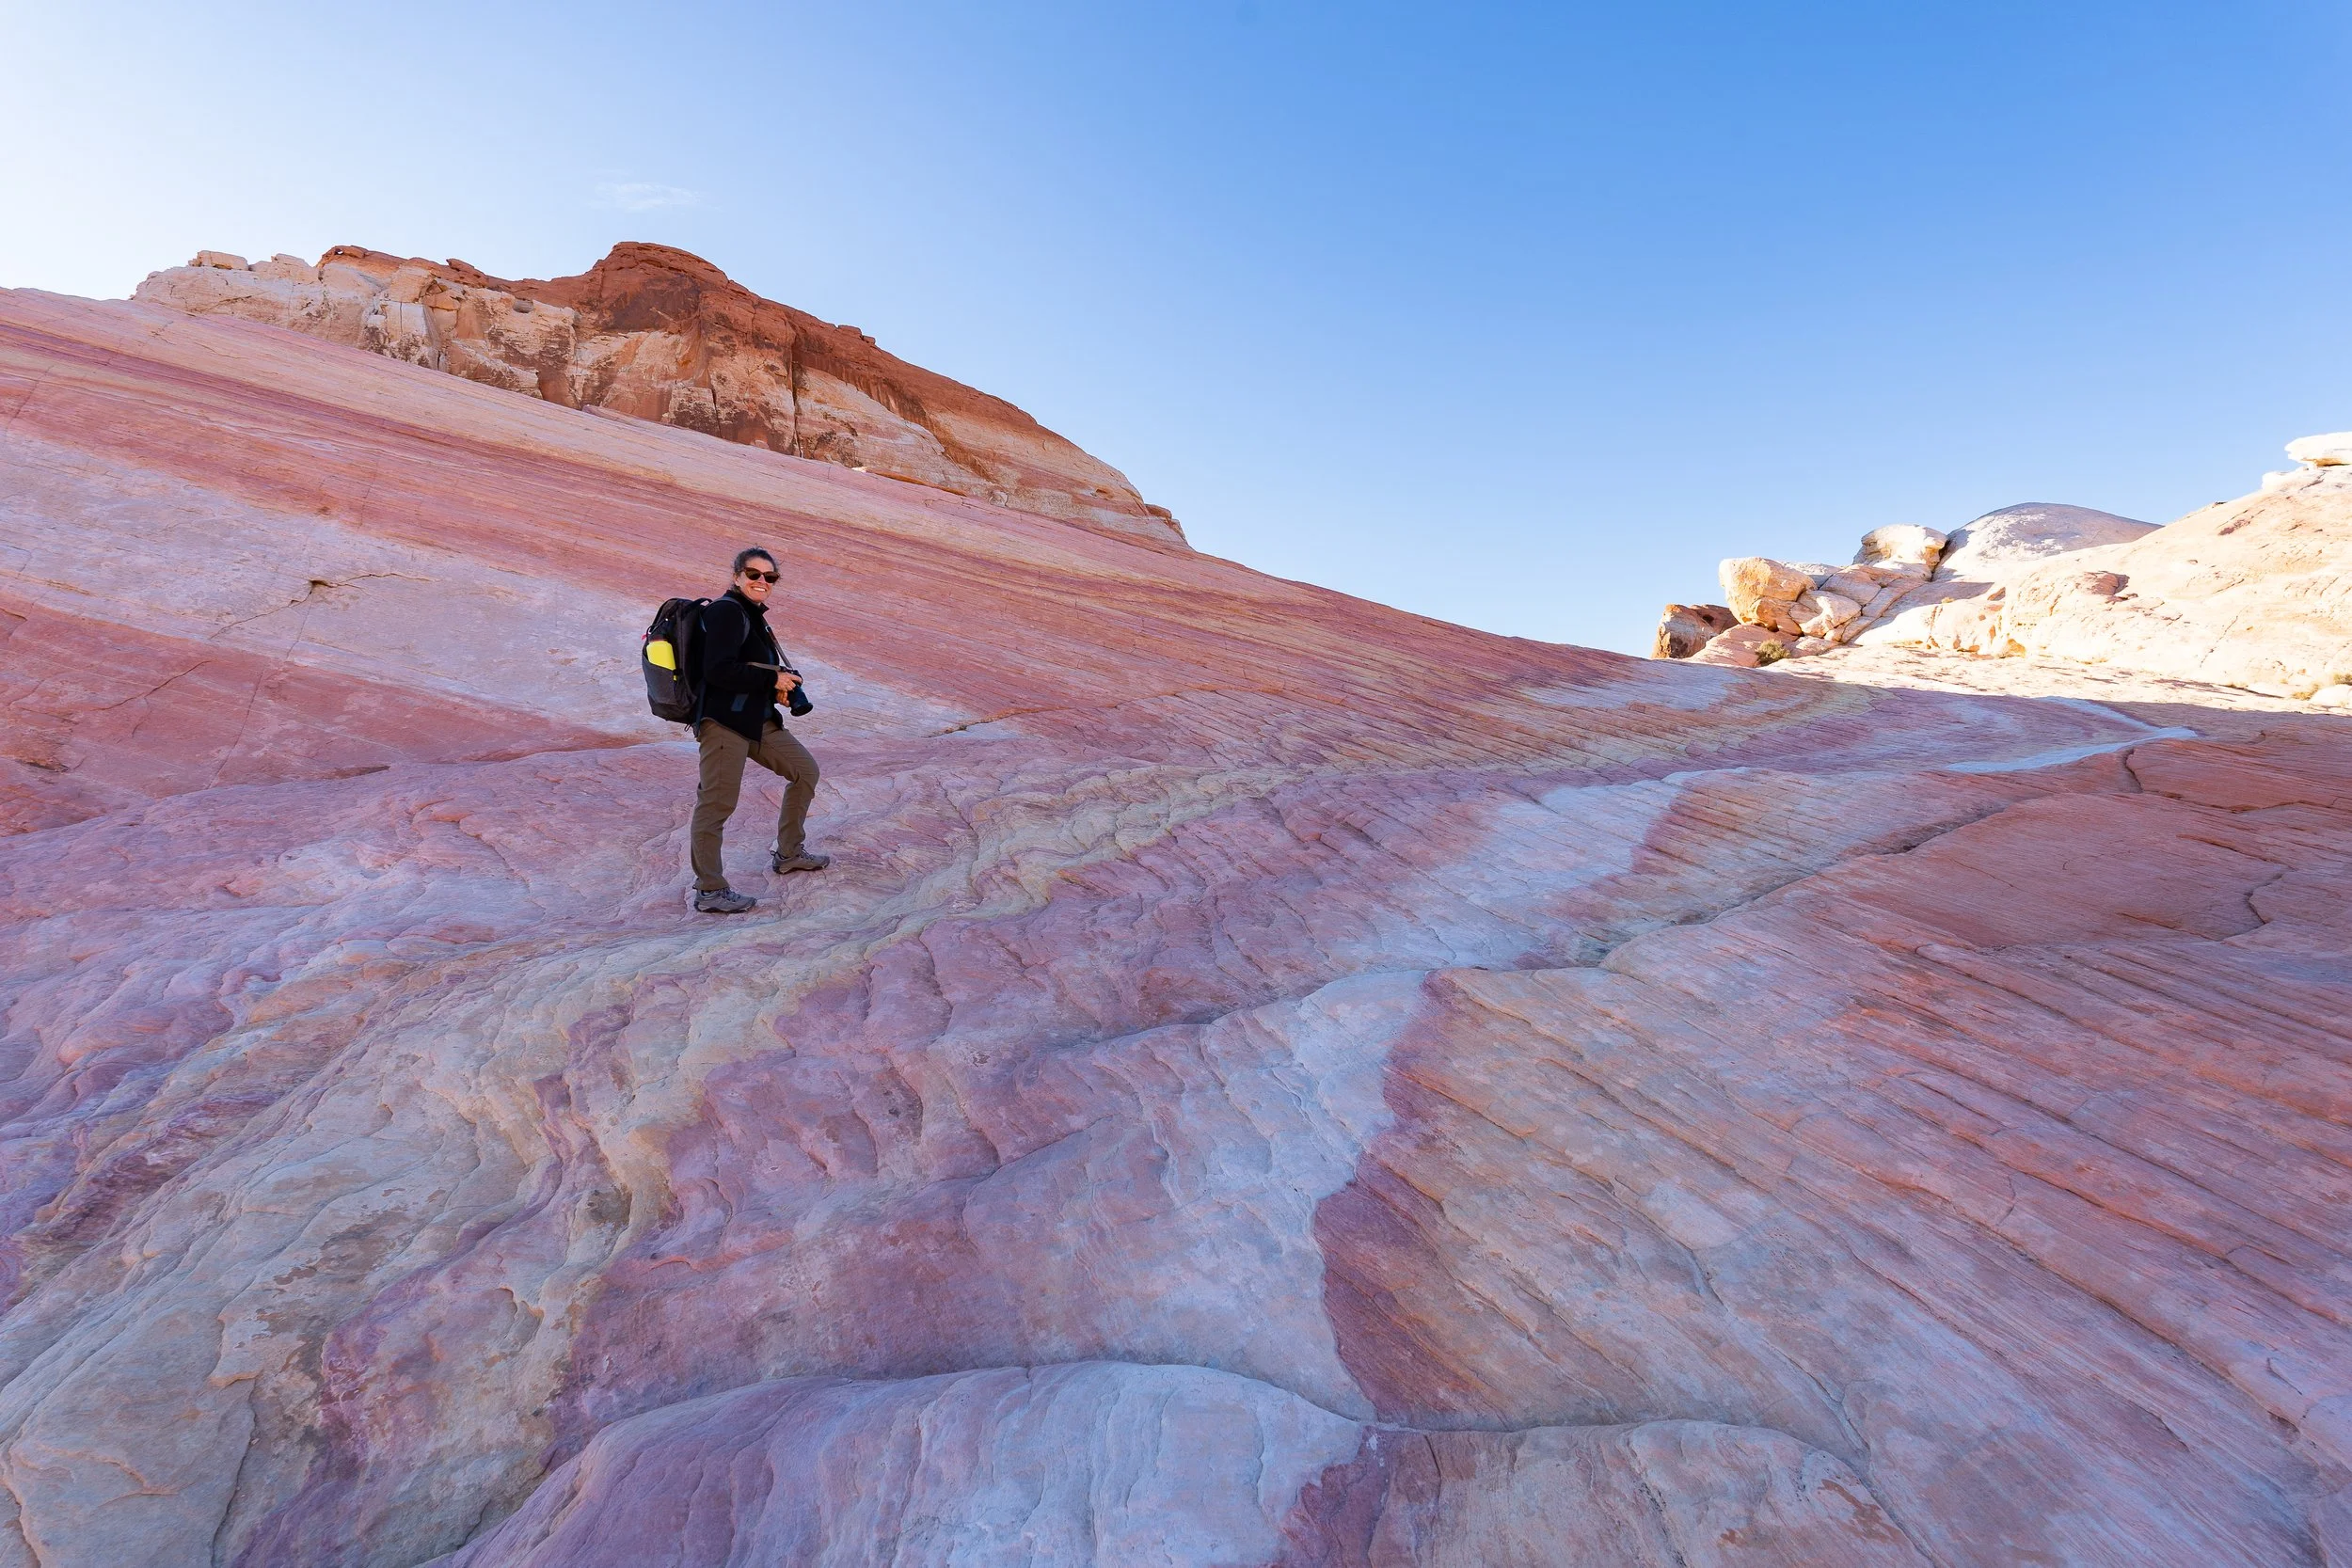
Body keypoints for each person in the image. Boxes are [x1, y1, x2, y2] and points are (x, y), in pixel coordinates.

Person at [689, 547, 827, 912]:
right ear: (737, 577)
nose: (762, 582)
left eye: (770, 577)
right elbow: (718, 670)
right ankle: (710, 890)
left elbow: (743, 670)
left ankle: (789, 853)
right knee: (717, 804)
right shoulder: (725, 612)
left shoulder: (753, 617)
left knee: (805, 771)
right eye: (754, 574)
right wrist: (773, 678)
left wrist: (775, 690)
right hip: (724, 724)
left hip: (756, 720)